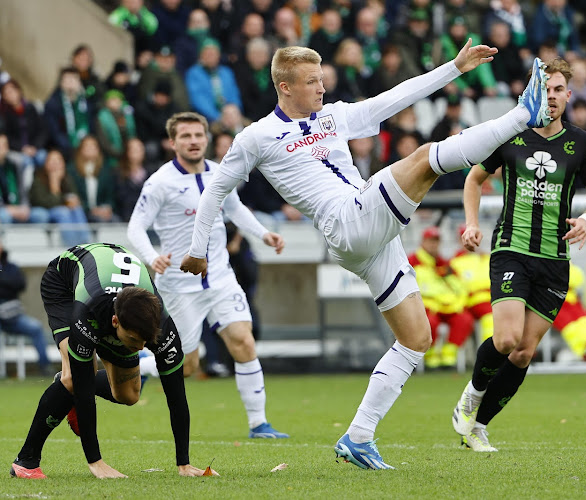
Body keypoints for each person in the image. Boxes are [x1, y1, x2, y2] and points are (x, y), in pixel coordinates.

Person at [181, 41, 552, 469]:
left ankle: (358, 437)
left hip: (369, 236)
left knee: (416, 340)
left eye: (322, 79)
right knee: (424, 159)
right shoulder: (256, 137)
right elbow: (215, 190)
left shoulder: (333, 116)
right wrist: (197, 250)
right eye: (311, 82)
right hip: (346, 221)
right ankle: (524, 115)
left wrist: (454, 67)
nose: (321, 88)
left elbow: (395, 98)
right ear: (284, 87)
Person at [451, 58, 586, 453]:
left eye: (558, 90)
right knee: (505, 340)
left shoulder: (582, 142)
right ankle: (470, 396)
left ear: (569, 96)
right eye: (545, 89)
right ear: (532, 92)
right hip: (512, 250)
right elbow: (474, 178)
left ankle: (478, 427)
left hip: (555, 260)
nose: (551, 97)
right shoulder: (511, 136)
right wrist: (472, 223)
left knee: (523, 353)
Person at [127, 112, 289, 439]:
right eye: (185, 136)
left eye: (198, 135)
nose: (193, 141)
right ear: (173, 143)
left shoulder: (219, 172)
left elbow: (235, 209)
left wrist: (263, 234)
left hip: (220, 278)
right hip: (179, 285)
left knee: (243, 341)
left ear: (206, 138)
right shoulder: (160, 182)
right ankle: (142, 363)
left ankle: (259, 424)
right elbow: (136, 227)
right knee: (188, 366)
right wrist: (152, 257)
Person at [10, 243, 207, 479]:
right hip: (63, 285)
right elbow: (84, 392)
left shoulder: (162, 327)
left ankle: (64, 391)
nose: (142, 348)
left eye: (146, 341)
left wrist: (183, 464)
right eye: (135, 340)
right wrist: (96, 462)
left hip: (113, 294)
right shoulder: (89, 311)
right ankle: (26, 461)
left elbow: (177, 396)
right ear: (115, 322)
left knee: (129, 395)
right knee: (74, 377)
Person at [408, 226, 474, 369]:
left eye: (436, 241)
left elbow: (459, 286)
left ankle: (448, 357)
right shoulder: (412, 261)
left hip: (447, 307)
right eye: (431, 241)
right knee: (429, 322)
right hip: (425, 307)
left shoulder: (444, 263)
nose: (434, 244)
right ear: (423, 242)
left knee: (464, 319)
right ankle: (430, 358)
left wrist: (458, 303)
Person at [0, 237, 51, 375]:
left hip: (12, 317)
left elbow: (19, 285)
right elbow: (11, 285)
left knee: (36, 328)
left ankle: (44, 367)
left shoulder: (11, 267)